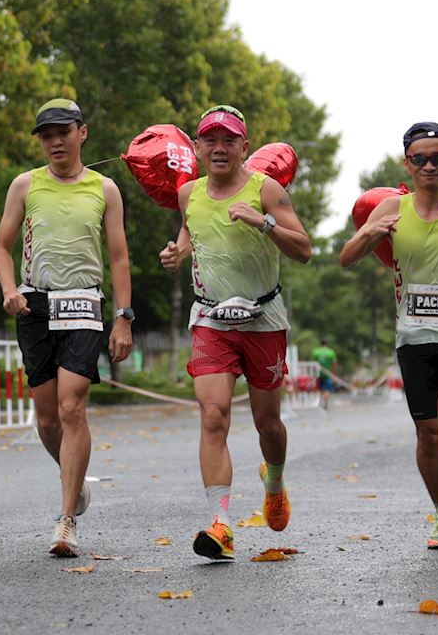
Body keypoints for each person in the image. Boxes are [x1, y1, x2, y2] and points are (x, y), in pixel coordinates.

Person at [158, 105, 313, 561]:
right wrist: (177, 252)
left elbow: (303, 249)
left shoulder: (267, 189)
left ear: (244, 147)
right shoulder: (188, 193)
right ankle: (221, 524)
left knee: (267, 424)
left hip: (263, 320)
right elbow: (192, 233)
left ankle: (276, 480)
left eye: (229, 140)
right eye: (210, 139)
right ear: (198, 147)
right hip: (210, 321)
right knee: (213, 416)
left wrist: (262, 221)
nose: (219, 148)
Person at [339, 122, 438, 551]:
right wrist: (369, 234)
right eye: (420, 158)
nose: (429, 165)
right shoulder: (389, 209)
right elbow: (346, 258)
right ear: (406, 164)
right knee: (427, 435)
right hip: (413, 336)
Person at [0, 98, 134, 557]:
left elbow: (117, 257)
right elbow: (2, 247)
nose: (55, 141)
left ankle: (66, 519)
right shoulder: (25, 185)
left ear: (82, 132)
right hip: (34, 304)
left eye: (63, 132)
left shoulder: (105, 188)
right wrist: (10, 288)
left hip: (84, 302)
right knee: (49, 417)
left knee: (73, 408)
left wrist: (123, 317)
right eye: (47, 134)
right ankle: (74, 481)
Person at [312, 338, 338, 411]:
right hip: (327, 373)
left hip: (317, 374)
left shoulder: (316, 352)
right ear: (327, 344)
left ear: (321, 344)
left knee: (319, 389)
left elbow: (313, 363)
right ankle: (325, 404)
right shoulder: (330, 352)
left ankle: (319, 403)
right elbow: (334, 364)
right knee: (327, 389)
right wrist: (335, 373)